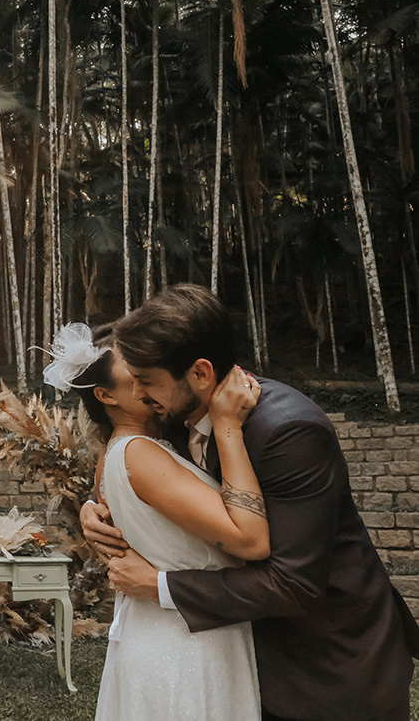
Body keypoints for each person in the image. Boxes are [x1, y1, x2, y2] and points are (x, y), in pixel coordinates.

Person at [82, 283, 419, 721]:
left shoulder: (289, 432)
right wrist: (96, 506)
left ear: (200, 374)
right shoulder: (176, 414)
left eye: (148, 382)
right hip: (239, 651)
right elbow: (149, 469)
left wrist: (160, 585)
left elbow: (293, 583)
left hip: (327, 663)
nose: (142, 396)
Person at [45, 321, 266, 720]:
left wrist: (88, 505)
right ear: (105, 395)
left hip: (175, 629)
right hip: (183, 644)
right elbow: (249, 540)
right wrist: (228, 426)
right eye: (135, 376)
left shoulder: (128, 451)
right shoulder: (139, 454)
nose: (147, 382)